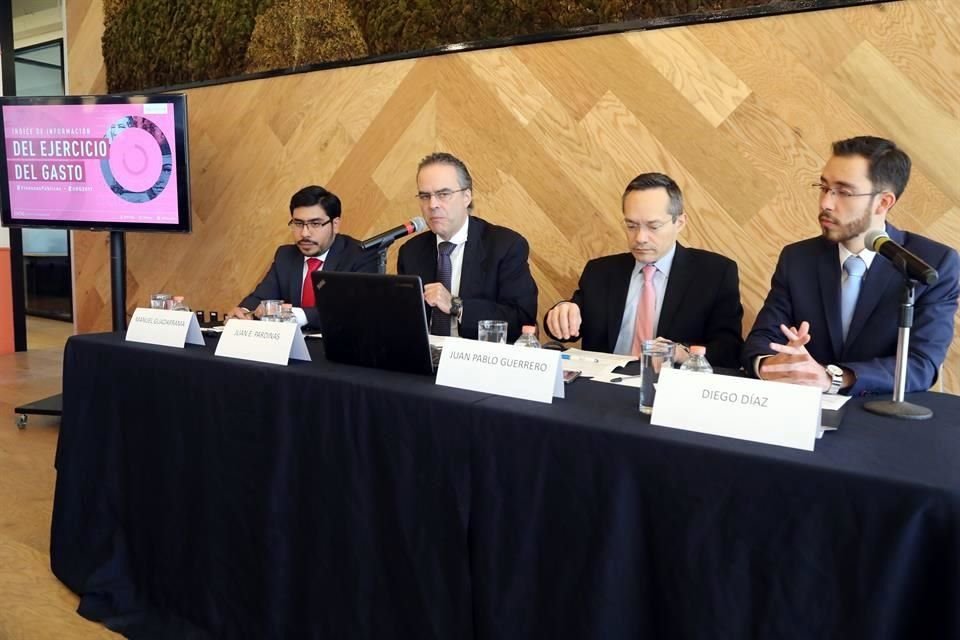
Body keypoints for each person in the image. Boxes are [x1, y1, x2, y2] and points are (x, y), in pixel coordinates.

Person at [743, 136, 959, 395]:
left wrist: (833, 378)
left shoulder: (931, 264)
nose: (826, 203)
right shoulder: (798, 258)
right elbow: (761, 340)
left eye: (843, 192)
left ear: (883, 202)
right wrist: (772, 364)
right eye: (823, 188)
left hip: (879, 418)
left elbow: (920, 365)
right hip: (800, 410)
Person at [543, 172, 744, 368]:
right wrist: (561, 313)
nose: (640, 238)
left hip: (670, 388)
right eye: (631, 226)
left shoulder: (714, 273)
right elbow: (570, 327)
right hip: (602, 387)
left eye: (653, 226)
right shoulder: (600, 271)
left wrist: (683, 353)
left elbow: (729, 349)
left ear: (680, 222)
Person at [397, 152, 538, 342]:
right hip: (422, 361)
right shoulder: (411, 251)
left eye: (443, 194)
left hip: (479, 363)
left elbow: (521, 319)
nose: (432, 205)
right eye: (424, 196)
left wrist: (457, 306)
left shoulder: (505, 246)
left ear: (466, 197)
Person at [226, 185, 377, 328]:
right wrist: (244, 311)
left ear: (335, 224)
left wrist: (295, 315)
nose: (305, 233)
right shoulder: (285, 256)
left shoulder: (359, 255)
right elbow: (261, 298)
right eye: (298, 224)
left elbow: (352, 310)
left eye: (315, 224)